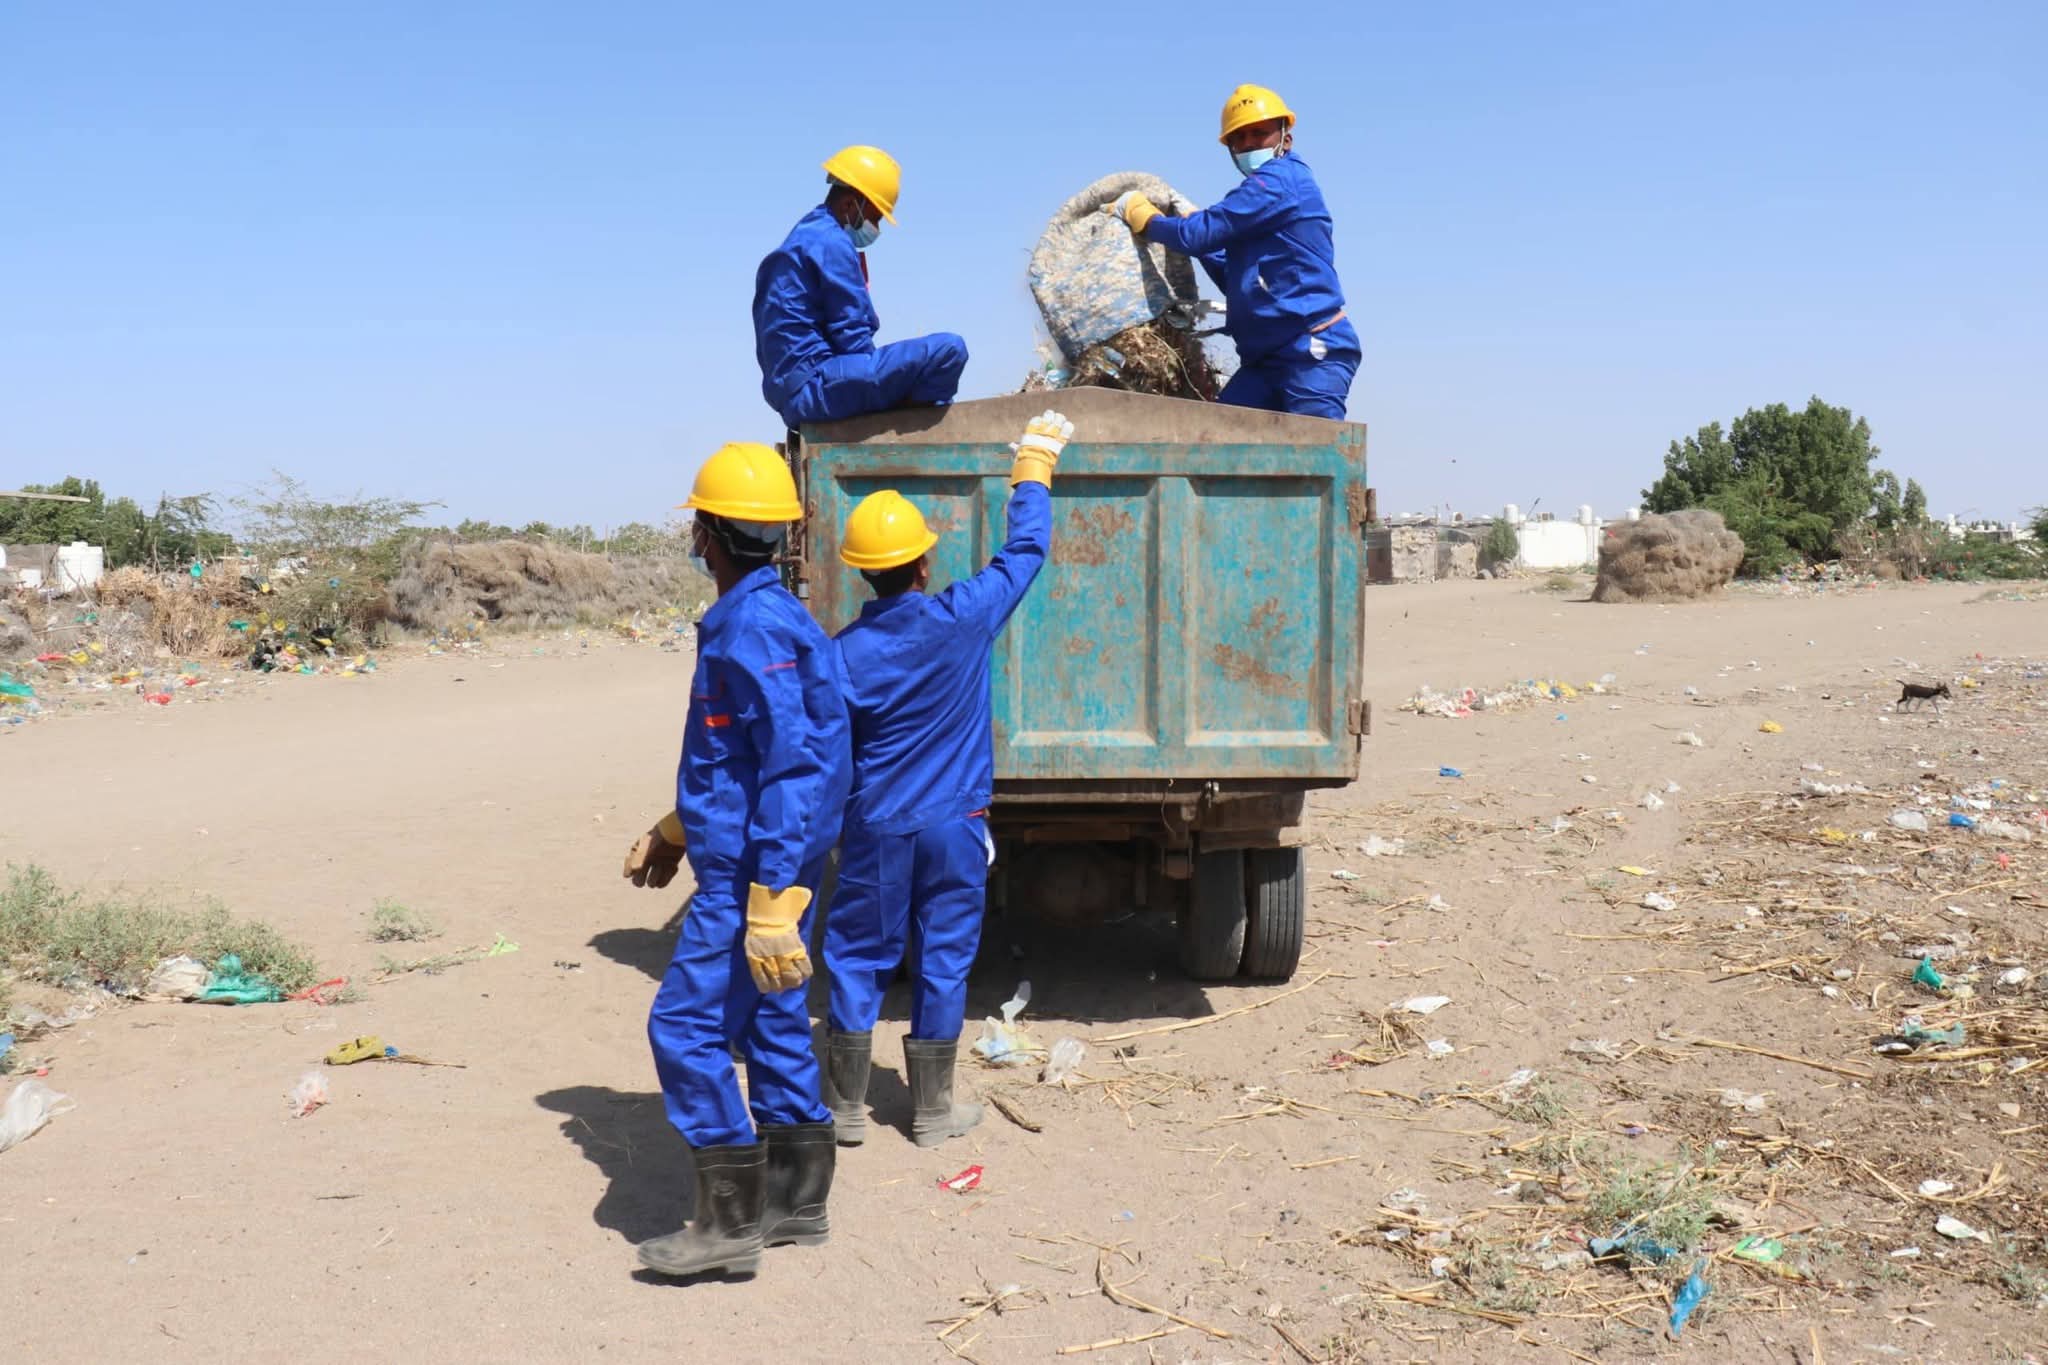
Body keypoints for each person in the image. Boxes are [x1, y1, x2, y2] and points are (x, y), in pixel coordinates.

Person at [620, 441, 852, 1279]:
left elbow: (794, 765)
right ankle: (798, 1202)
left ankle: (729, 1221)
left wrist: (770, 899)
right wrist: (677, 827)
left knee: (684, 1026)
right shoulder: (769, 616)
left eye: (699, 526)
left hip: (752, 876)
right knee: (771, 1021)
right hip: (764, 862)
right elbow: (741, 764)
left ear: (710, 534)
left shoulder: (750, 629)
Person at [820, 409, 1075, 1147]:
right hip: (953, 828)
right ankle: (933, 1111)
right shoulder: (962, 618)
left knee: (858, 958)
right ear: (924, 565)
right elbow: (1024, 552)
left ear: (863, 571)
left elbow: (825, 754)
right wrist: (1032, 470)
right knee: (943, 959)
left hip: (876, 826)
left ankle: (844, 1109)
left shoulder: (841, 655)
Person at [1106, 85, 1359, 420]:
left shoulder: (1279, 181)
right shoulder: (1264, 202)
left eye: (1259, 133)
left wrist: (1147, 220)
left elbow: (1197, 236)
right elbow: (1236, 277)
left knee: (1315, 447)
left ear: (1286, 138)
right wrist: (1196, 233)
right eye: (1239, 138)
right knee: (1219, 436)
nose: (1249, 143)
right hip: (1265, 359)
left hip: (1310, 351)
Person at [753, 145, 969, 431]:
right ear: (849, 205)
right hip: (815, 388)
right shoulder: (831, 242)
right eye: (875, 218)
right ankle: (902, 416)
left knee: (915, 372)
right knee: (950, 350)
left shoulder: (806, 234)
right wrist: (888, 384)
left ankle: (903, 407)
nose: (875, 227)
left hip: (795, 392)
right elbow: (852, 336)